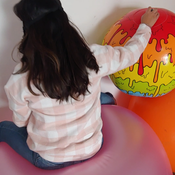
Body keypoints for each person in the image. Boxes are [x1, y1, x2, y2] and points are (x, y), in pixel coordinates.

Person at [0, 0, 159, 170]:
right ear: (64, 22)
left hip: (49, 160)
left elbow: (21, 122)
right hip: (92, 147)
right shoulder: (94, 57)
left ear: (28, 34)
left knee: (4, 127)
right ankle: (100, 100)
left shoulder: (20, 80)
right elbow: (130, 55)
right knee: (98, 95)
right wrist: (145, 26)